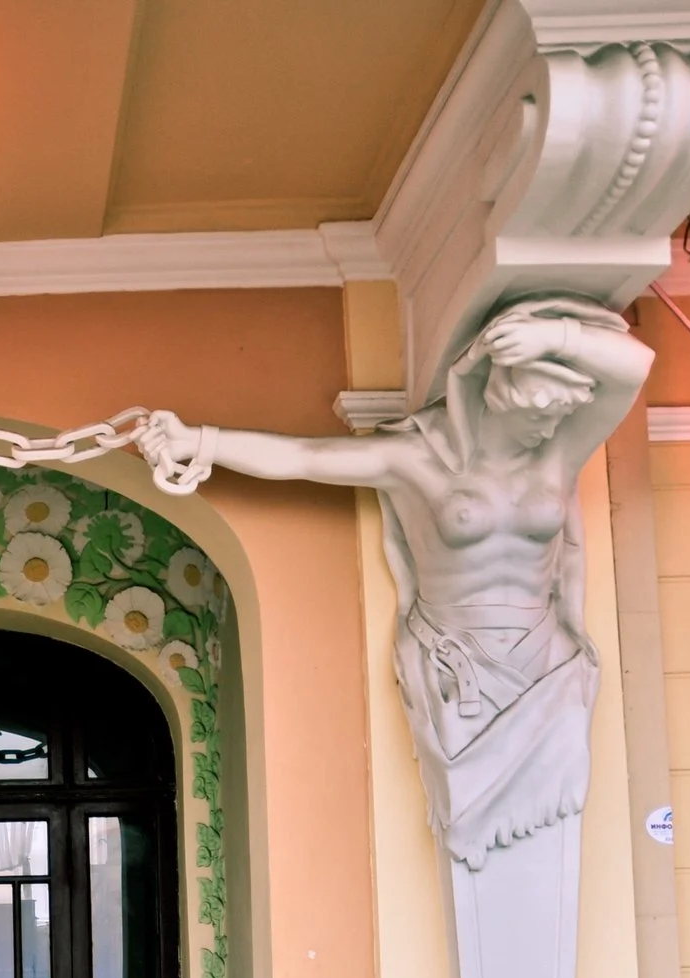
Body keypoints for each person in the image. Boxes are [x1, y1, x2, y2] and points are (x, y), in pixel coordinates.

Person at [141, 296, 652, 868]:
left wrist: (556, 337)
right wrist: (198, 442)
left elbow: (635, 366)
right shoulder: (415, 459)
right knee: (477, 844)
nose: (548, 428)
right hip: (461, 667)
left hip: (547, 663)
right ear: (495, 396)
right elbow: (304, 455)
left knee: (542, 839)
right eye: (537, 416)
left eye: (556, 418)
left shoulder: (555, 455)